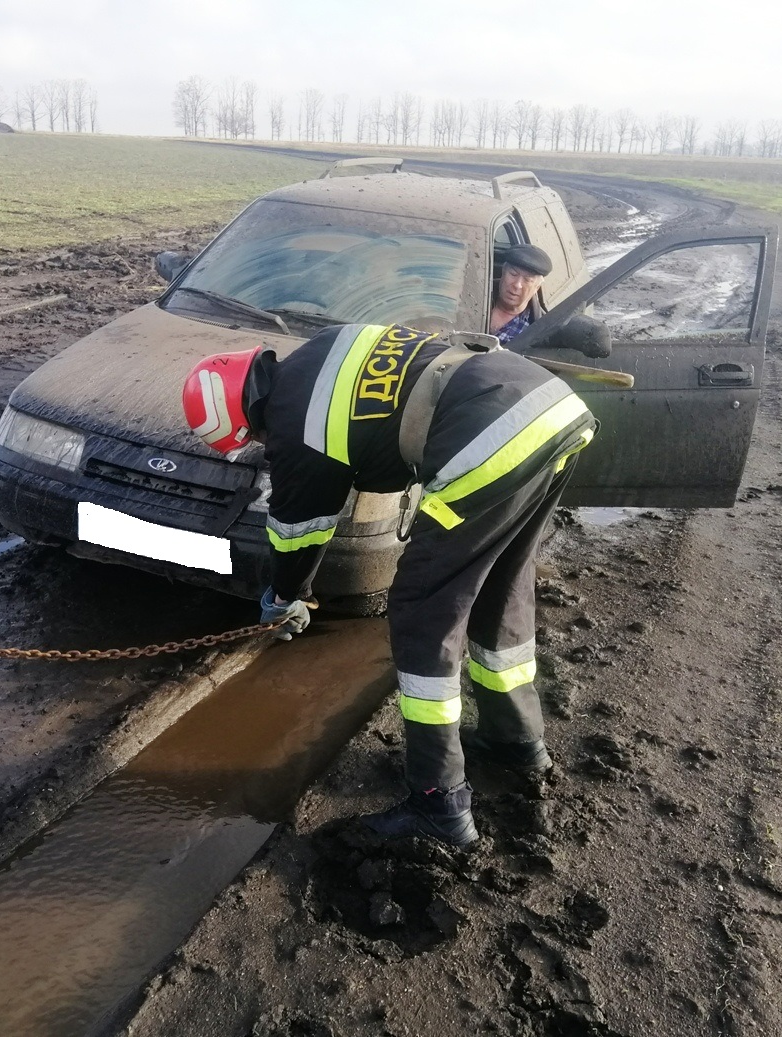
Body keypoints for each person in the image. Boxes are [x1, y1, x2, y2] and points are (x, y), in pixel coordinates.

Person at [182, 322, 596, 846]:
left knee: (423, 608)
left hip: (490, 437)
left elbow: (297, 533)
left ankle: (438, 806)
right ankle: (515, 741)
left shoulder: (294, 422)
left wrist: (283, 598)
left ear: (246, 415)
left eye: (254, 439)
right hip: (548, 409)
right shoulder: (320, 353)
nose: (264, 445)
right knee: (501, 589)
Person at [490, 243, 552, 345]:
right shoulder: (477, 295)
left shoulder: (537, 330)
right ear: (503, 272)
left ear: (537, 287)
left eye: (527, 280)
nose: (517, 285)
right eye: (513, 274)